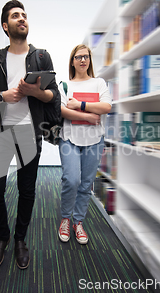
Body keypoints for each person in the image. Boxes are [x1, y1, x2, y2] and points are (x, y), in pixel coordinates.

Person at [0, 0, 59, 271]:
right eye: (15, 16)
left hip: (29, 132)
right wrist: (4, 95)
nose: (21, 19)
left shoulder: (41, 57)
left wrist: (34, 92)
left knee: (27, 191)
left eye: (24, 15)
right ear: (6, 25)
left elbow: (54, 98)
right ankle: (2, 237)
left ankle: (20, 239)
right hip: (0, 132)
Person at [57, 44, 112, 245]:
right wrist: (89, 116)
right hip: (69, 137)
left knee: (86, 184)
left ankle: (78, 222)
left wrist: (79, 105)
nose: (82, 60)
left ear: (89, 60)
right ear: (72, 61)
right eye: (78, 57)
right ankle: (65, 218)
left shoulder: (99, 83)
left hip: (94, 140)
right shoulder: (64, 85)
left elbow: (106, 107)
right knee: (71, 180)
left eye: (86, 57)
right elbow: (62, 111)